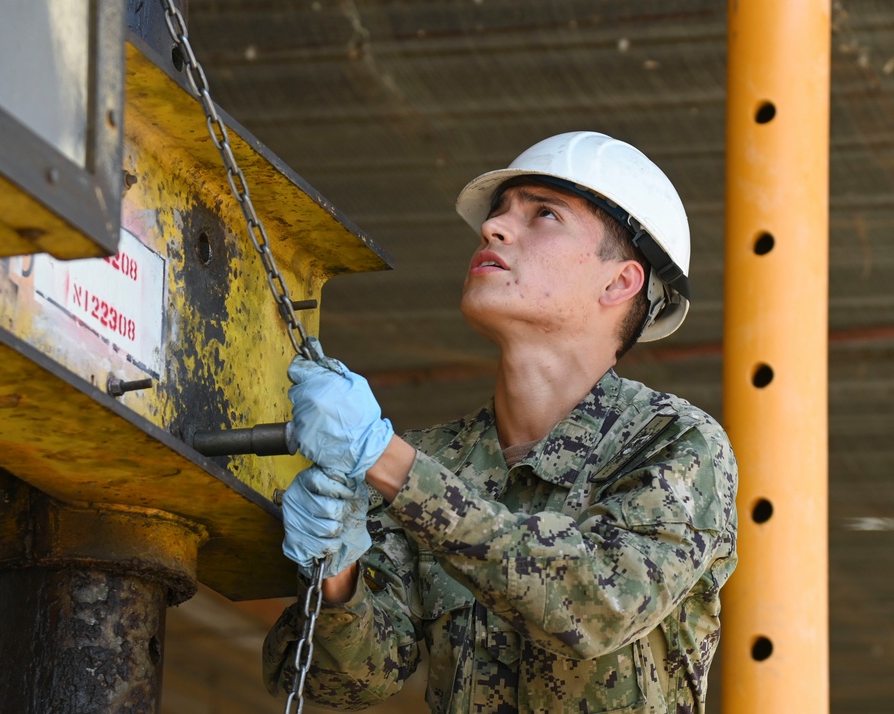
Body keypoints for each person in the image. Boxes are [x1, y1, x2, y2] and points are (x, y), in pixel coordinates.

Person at [263, 131, 738, 713]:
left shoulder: (674, 444)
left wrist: (383, 460)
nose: (494, 228)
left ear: (619, 281)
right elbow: (343, 681)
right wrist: (338, 576)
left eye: (543, 214)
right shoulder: (432, 456)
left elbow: (597, 606)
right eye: (499, 212)